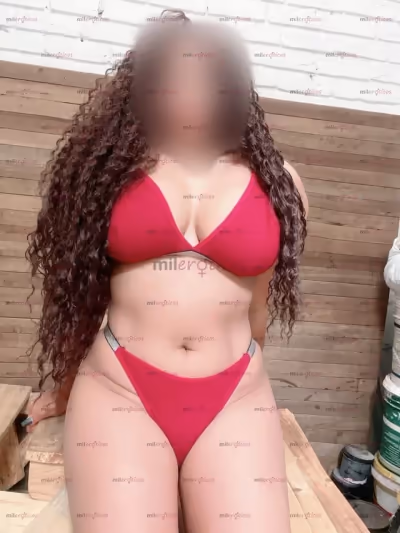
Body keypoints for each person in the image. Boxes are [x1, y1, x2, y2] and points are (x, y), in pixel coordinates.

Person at [26, 9, 308, 533]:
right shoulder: (105, 171)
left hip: (234, 396)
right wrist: (64, 389)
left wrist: (246, 385)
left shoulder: (279, 183)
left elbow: (258, 310)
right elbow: (78, 294)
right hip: (120, 390)